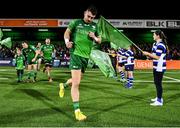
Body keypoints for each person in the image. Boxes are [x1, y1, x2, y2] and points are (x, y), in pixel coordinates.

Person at [59, 5, 101, 121]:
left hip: (85, 57)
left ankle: (63, 85)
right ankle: (77, 111)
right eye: (88, 16)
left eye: (92, 17)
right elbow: (66, 33)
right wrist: (67, 42)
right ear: (84, 13)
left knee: (75, 81)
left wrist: (94, 37)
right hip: (76, 55)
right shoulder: (76, 23)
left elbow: (100, 40)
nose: (90, 19)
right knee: (77, 83)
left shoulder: (94, 26)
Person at [143, 30, 168, 106]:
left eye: (154, 35)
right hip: (155, 66)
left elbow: (157, 57)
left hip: (159, 67)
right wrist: (149, 56)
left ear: (158, 36)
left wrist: (148, 53)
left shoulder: (161, 45)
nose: (152, 36)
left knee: (158, 83)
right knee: (156, 82)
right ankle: (158, 97)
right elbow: (153, 55)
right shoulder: (155, 44)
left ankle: (159, 101)